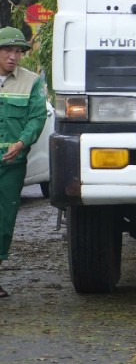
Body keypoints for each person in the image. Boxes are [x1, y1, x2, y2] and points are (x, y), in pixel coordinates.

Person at [0, 27, 48, 298]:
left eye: (18, 51)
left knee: (4, 221)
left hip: (11, 165)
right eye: (8, 50)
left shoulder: (31, 82)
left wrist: (22, 142)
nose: (13, 56)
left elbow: (37, 117)